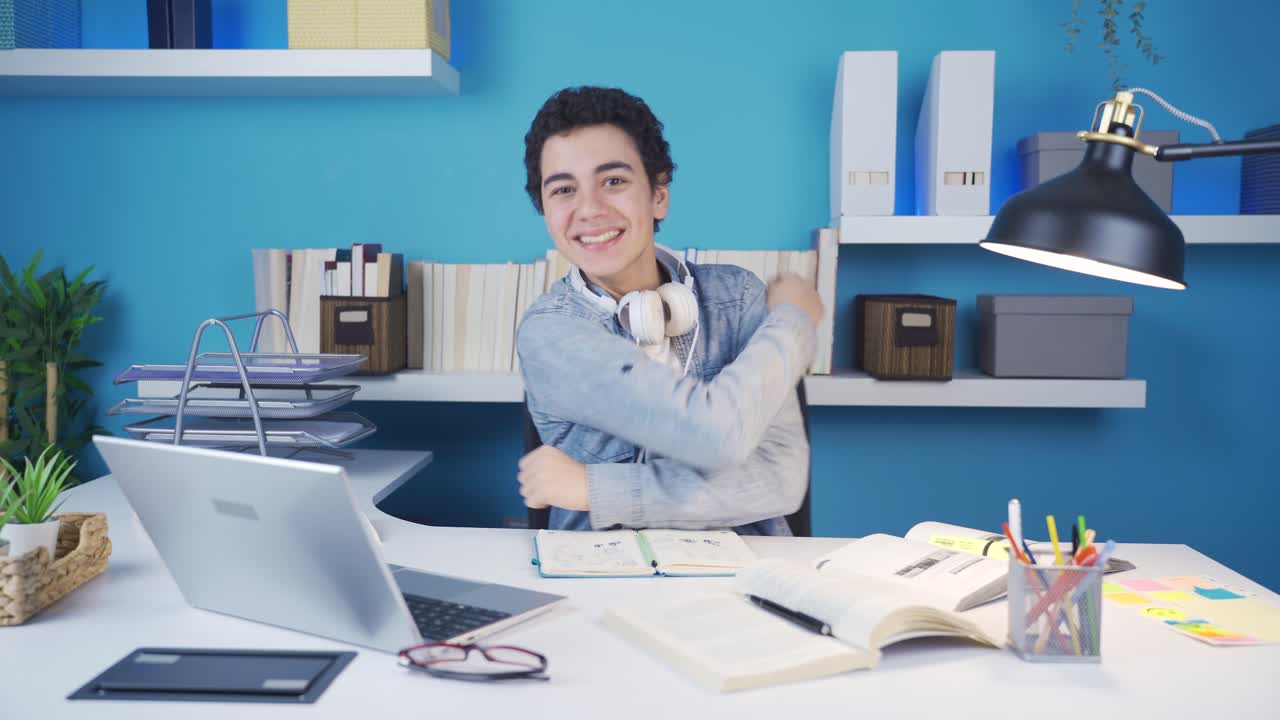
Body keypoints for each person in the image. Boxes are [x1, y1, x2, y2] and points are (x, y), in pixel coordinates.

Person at [515, 86, 823, 535]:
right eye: (563, 189)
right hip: (607, 576)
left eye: (613, 181)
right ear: (545, 210)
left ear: (659, 194)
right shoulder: (551, 333)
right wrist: (794, 322)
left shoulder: (737, 296)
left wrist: (592, 489)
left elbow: (781, 479)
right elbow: (717, 435)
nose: (590, 209)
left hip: (745, 575)